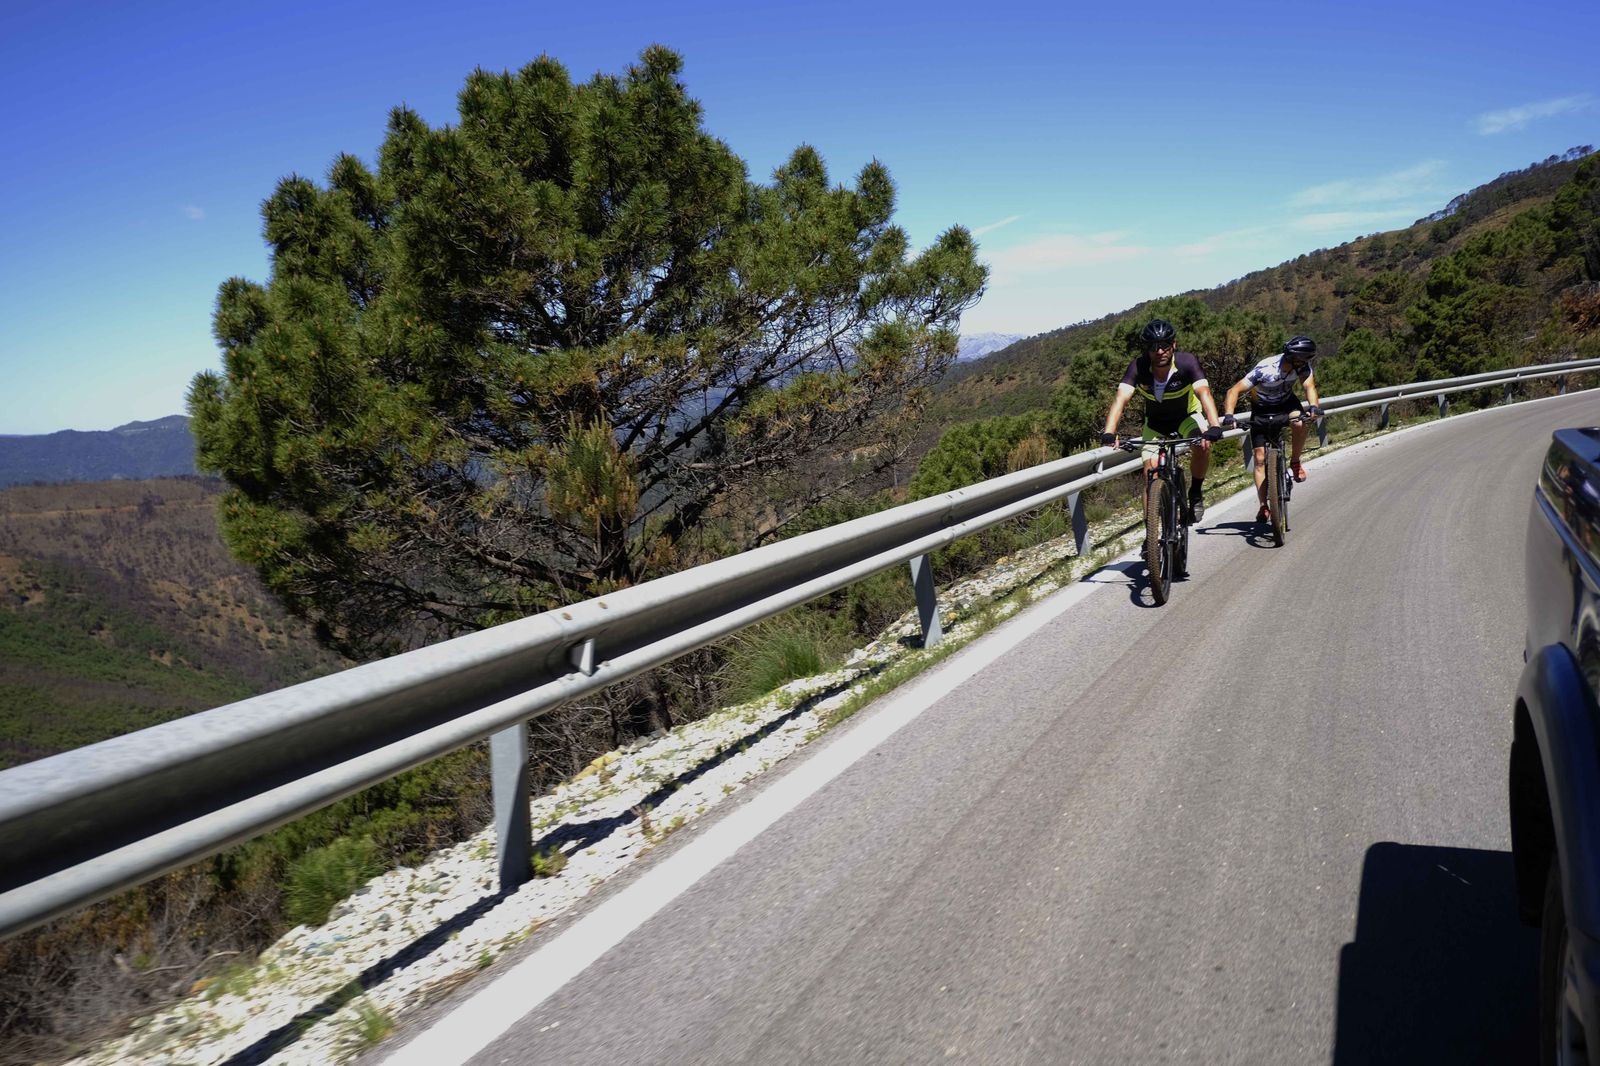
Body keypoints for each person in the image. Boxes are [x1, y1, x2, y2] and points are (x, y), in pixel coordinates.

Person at [1100, 318, 1224, 522]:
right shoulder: (1138, 368)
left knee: (1202, 445)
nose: (1159, 351)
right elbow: (1120, 400)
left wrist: (1214, 426)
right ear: (1146, 349)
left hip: (1187, 418)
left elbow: (1204, 393)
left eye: (1164, 345)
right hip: (1155, 426)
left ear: (1173, 344)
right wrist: (1109, 433)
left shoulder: (1187, 362)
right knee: (1151, 475)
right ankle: (1151, 535)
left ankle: (1195, 492)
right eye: (1153, 347)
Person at [1220, 335, 1324, 523]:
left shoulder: (1302, 368)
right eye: (1300, 359)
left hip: (1286, 403)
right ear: (1291, 356)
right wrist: (1229, 415)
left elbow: (1309, 387)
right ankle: (1263, 506)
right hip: (1261, 408)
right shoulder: (1265, 368)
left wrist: (1314, 406)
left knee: (1299, 423)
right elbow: (1233, 391)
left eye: (1307, 359)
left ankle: (1295, 462)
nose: (1303, 363)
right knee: (1259, 458)